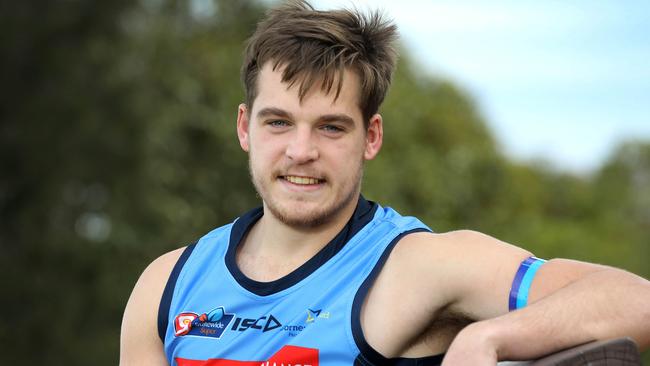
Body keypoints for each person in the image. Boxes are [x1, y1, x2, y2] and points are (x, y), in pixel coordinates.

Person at [120, 1, 650, 365]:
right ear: (245, 127)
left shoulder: (418, 267)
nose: (301, 151)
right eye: (278, 121)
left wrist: (492, 336)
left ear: (371, 136)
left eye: (331, 127)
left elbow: (634, 300)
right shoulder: (167, 286)